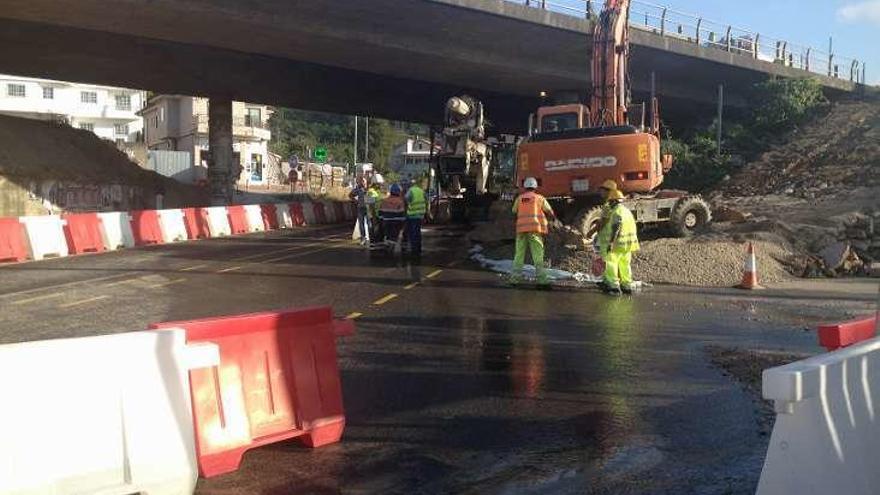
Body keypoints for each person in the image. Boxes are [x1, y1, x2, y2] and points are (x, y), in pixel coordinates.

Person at [510, 177, 557, 286]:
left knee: (519, 255)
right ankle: (541, 281)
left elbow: (513, 211)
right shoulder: (539, 198)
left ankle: (515, 280)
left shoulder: (520, 198)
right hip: (535, 231)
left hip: (521, 231)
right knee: (538, 256)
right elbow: (549, 211)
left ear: (525, 187)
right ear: (535, 187)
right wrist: (554, 219)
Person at [597, 189, 640, 296]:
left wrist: (611, 242)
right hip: (627, 244)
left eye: (610, 201)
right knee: (625, 264)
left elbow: (616, 227)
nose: (609, 203)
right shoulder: (627, 211)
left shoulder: (616, 212)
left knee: (611, 263)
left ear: (613, 201)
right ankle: (626, 285)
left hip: (617, 244)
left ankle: (613, 286)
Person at [378, 183, 407, 250]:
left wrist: (380, 221)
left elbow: (380, 213)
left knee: (388, 235)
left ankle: (388, 247)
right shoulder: (400, 201)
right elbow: (402, 214)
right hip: (396, 223)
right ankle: (390, 249)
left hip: (386, 222)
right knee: (394, 237)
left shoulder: (384, 200)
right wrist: (403, 224)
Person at [404, 178, 427, 257]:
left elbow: (406, 200)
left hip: (412, 215)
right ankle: (418, 248)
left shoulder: (410, 191)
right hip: (420, 215)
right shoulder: (421, 191)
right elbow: (426, 200)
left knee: (412, 233)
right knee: (418, 232)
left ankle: (414, 250)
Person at [349, 177, 370, 245]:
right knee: (361, 224)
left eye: (364, 181)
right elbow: (350, 195)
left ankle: (370, 237)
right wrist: (356, 201)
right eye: (362, 181)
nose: (363, 183)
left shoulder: (369, 189)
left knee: (369, 223)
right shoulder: (358, 188)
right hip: (360, 207)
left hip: (368, 208)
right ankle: (363, 238)